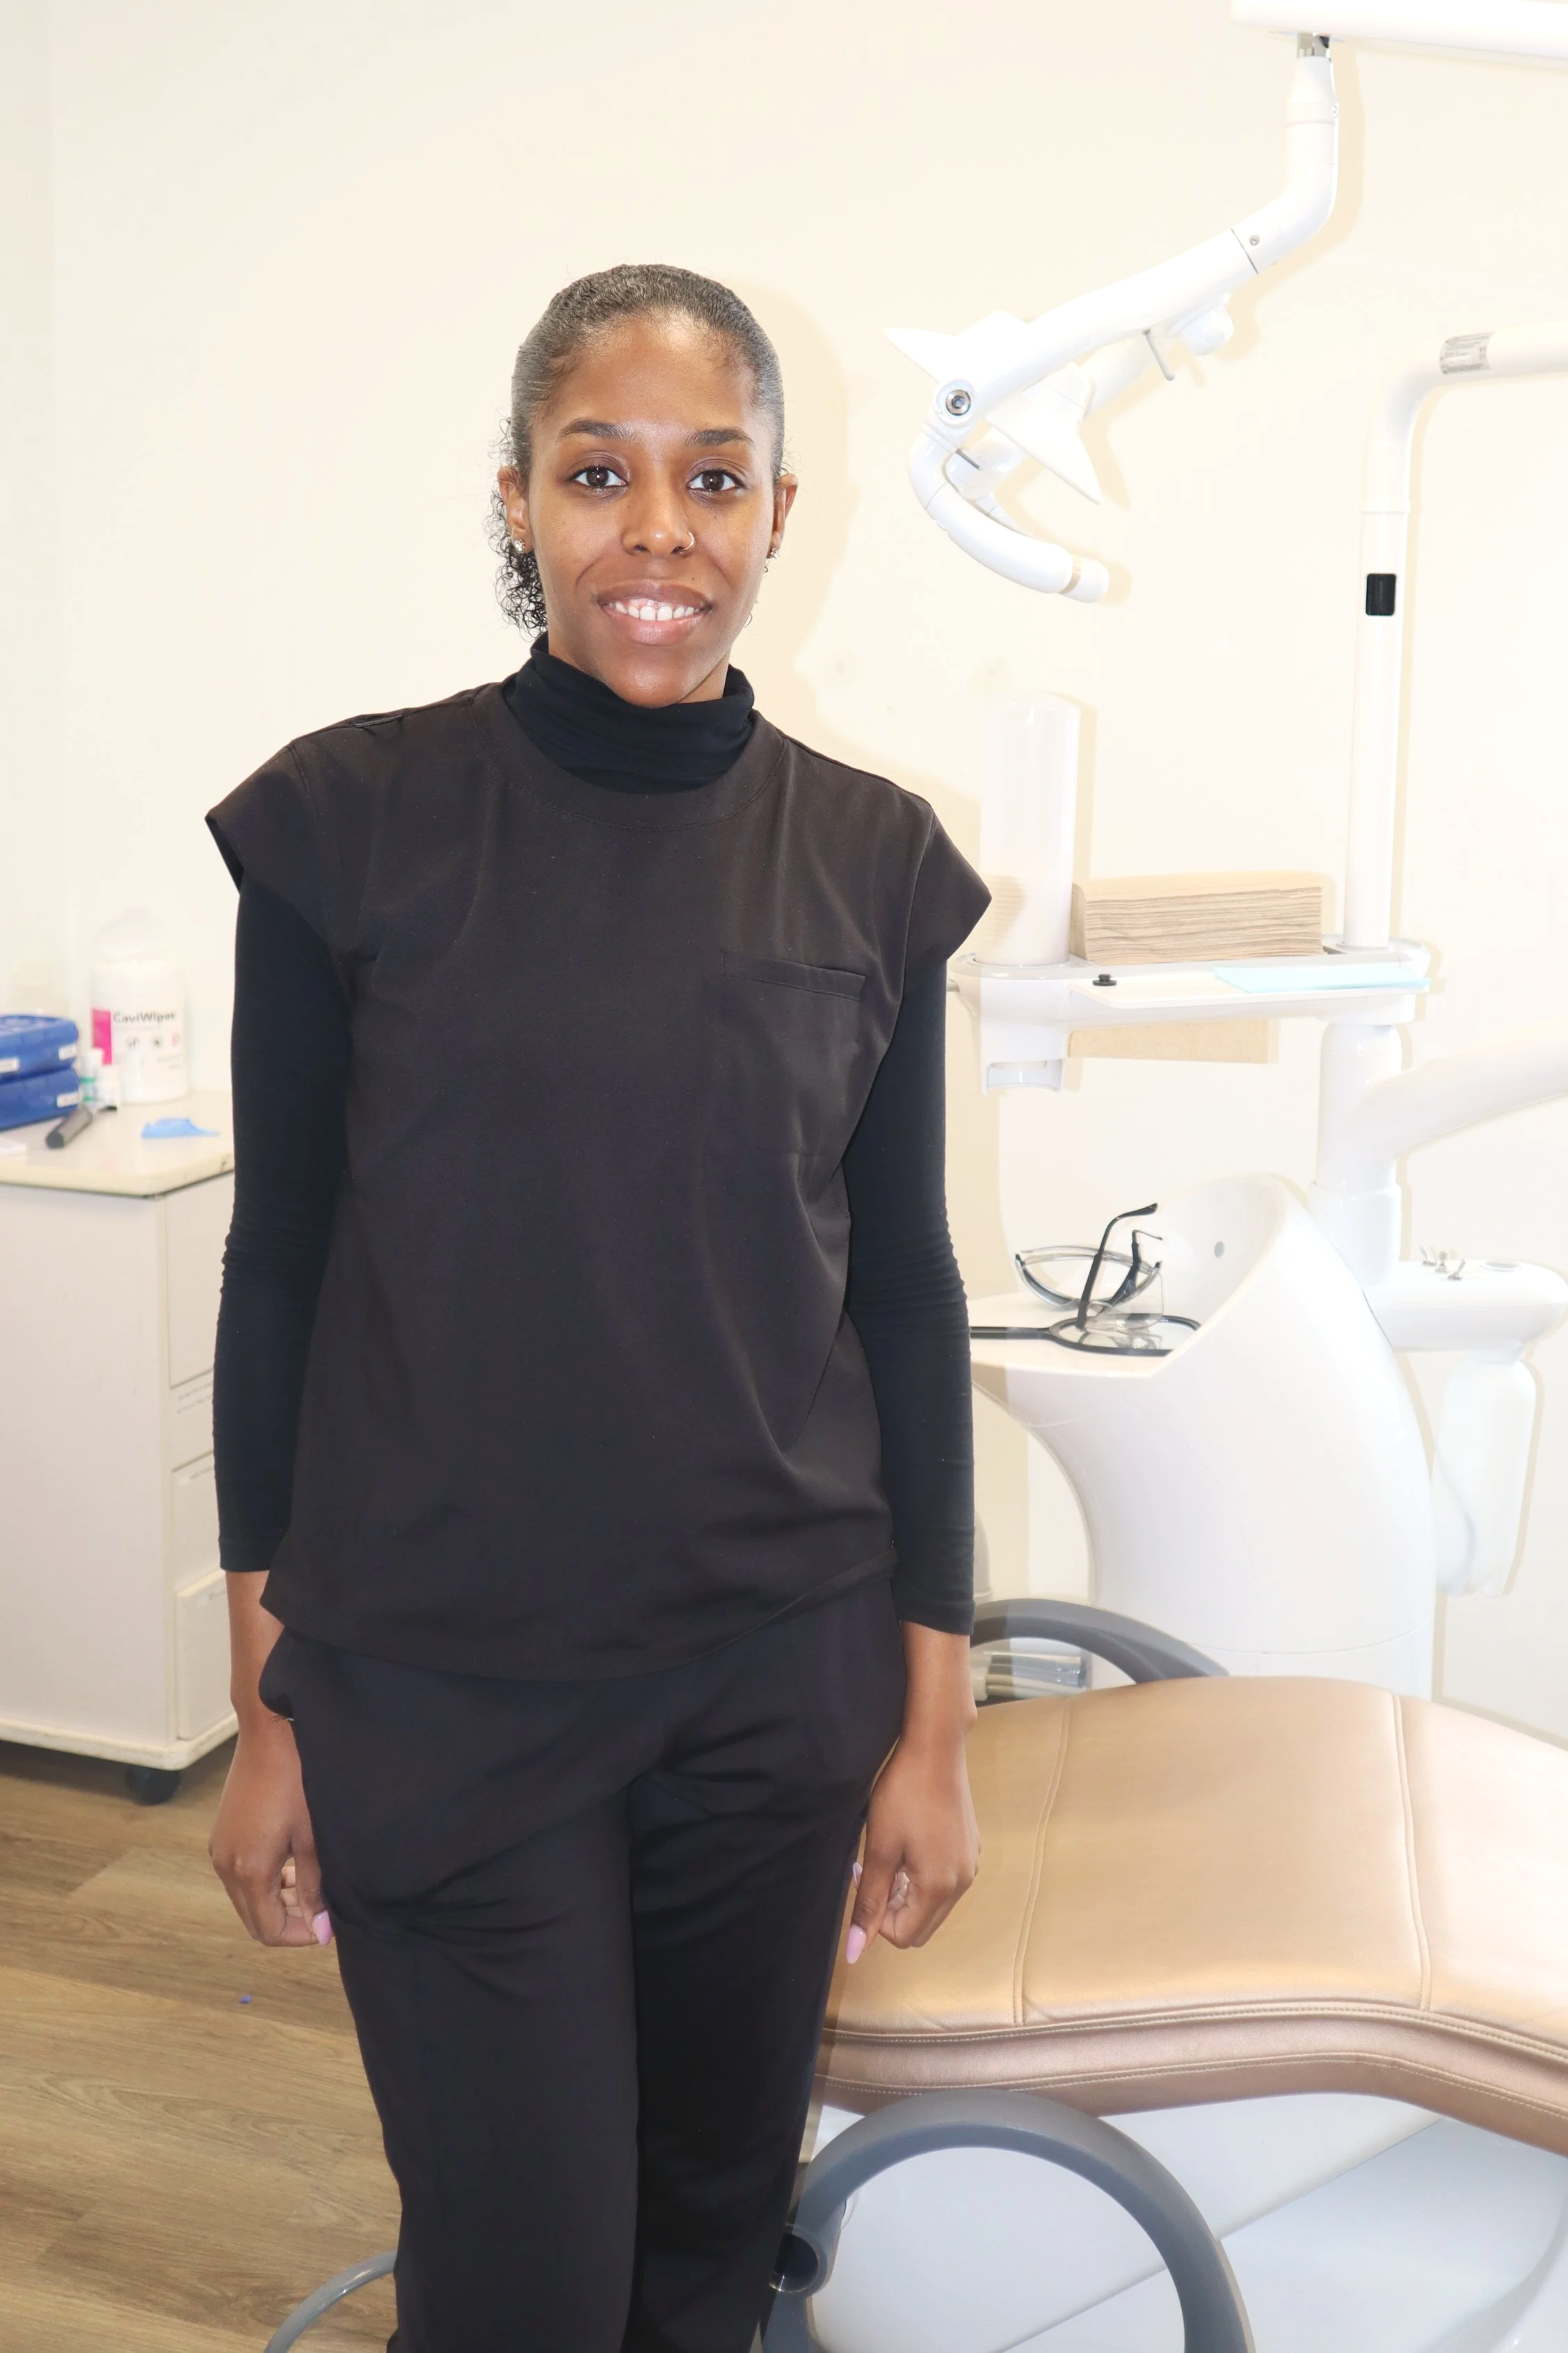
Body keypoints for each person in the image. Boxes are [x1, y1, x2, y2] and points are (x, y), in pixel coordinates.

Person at [206, 262, 988, 2353]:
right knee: (523, 2283)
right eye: (599, 473)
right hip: (448, 1692)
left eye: (708, 477)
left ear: (775, 513)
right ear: (519, 502)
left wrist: (927, 1722)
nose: (658, 530)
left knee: (702, 2251)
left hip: (768, 1679)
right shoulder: (345, 826)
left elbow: (902, 1296)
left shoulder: (869, 866)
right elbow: (275, 1262)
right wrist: (267, 1703)